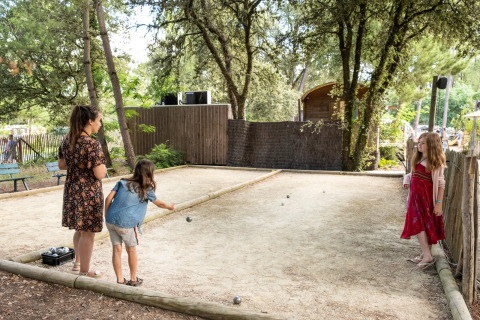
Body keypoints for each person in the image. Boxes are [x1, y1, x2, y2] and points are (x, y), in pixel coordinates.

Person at [104, 159, 174, 285]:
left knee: (116, 249)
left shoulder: (122, 182)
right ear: (149, 173)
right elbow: (159, 204)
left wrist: (107, 216)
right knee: (131, 250)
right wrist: (169, 207)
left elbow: (108, 198)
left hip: (111, 221)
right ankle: (133, 279)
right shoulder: (146, 189)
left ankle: (120, 280)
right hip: (127, 223)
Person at [58, 105, 107, 278]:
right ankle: (85, 271)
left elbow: (62, 165)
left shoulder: (67, 140)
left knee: (79, 229)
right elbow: (99, 174)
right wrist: (103, 167)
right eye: (98, 120)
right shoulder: (92, 144)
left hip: (72, 190)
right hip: (88, 193)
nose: (99, 124)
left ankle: (77, 263)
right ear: (90, 121)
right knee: (88, 232)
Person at [402, 132, 446, 269]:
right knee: (423, 225)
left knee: (422, 226)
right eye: (418, 143)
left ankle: (427, 256)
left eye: (422, 143)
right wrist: (407, 178)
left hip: (426, 200)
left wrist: (438, 204)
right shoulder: (419, 159)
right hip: (416, 199)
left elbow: (440, 185)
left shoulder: (436, 163)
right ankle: (424, 253)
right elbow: (413, 173)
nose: (419, 145)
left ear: (431, 145)